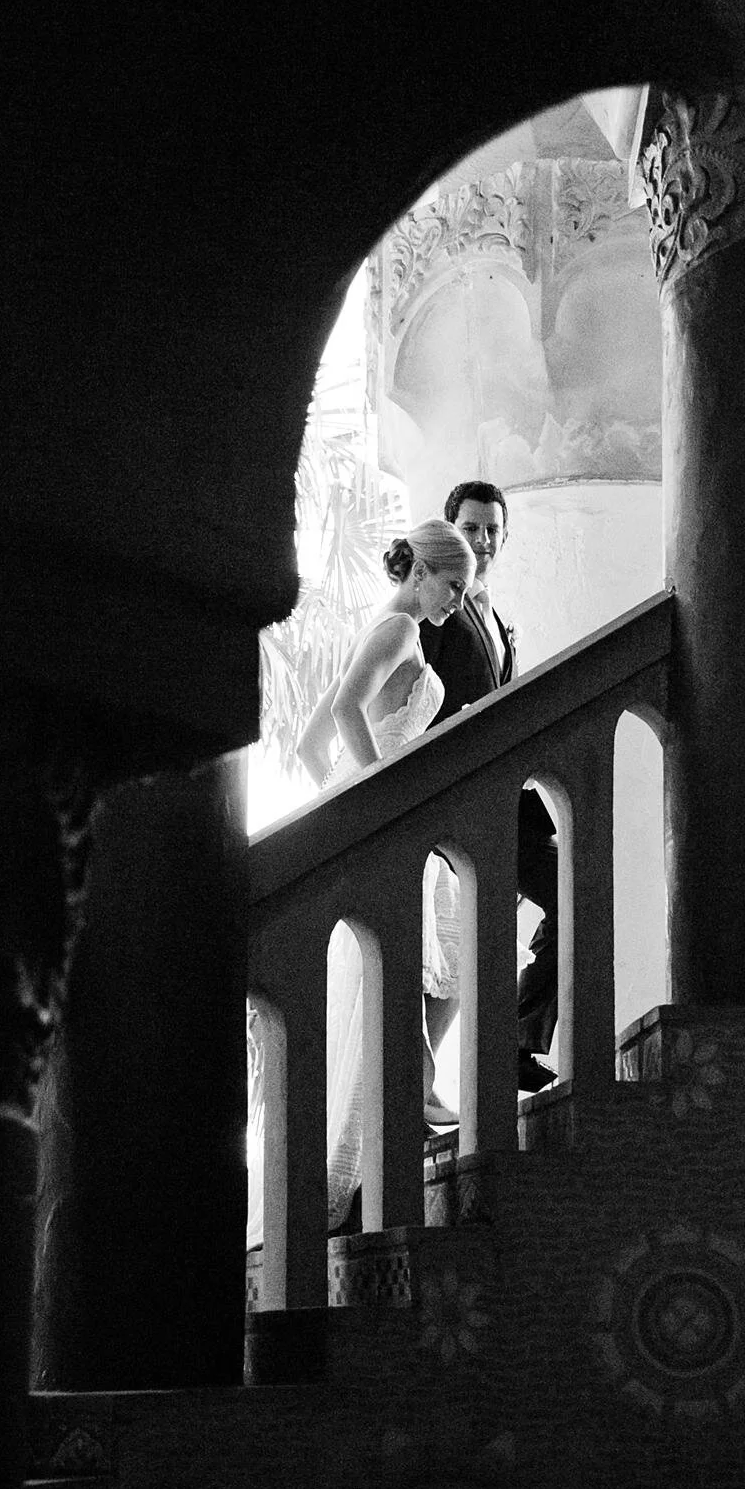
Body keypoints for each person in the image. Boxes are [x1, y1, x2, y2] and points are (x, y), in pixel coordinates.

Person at [246, 516, 475, 1245]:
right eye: (453, 585)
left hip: (381, 822)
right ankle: (405, 1102)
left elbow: (313, 747)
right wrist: (377, 804)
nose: (457, 602)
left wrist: (345, 802)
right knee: (446, 946)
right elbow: (345, 712)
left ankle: (405, 1097)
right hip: (388, 819)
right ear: (421, 571)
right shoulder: (398, 629)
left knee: (427, 957)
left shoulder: (381, 628)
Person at [419, 480, 560, 1093]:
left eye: (492, 530)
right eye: (470, 528)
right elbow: (414, 691)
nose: (482, 540)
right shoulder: (439, 610)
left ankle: (518, 1037)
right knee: (453, 945)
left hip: (513, 802)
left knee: (571, 887)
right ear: (451, 531)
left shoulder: (500, 620)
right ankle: (423, 1081)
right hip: (458, 797)